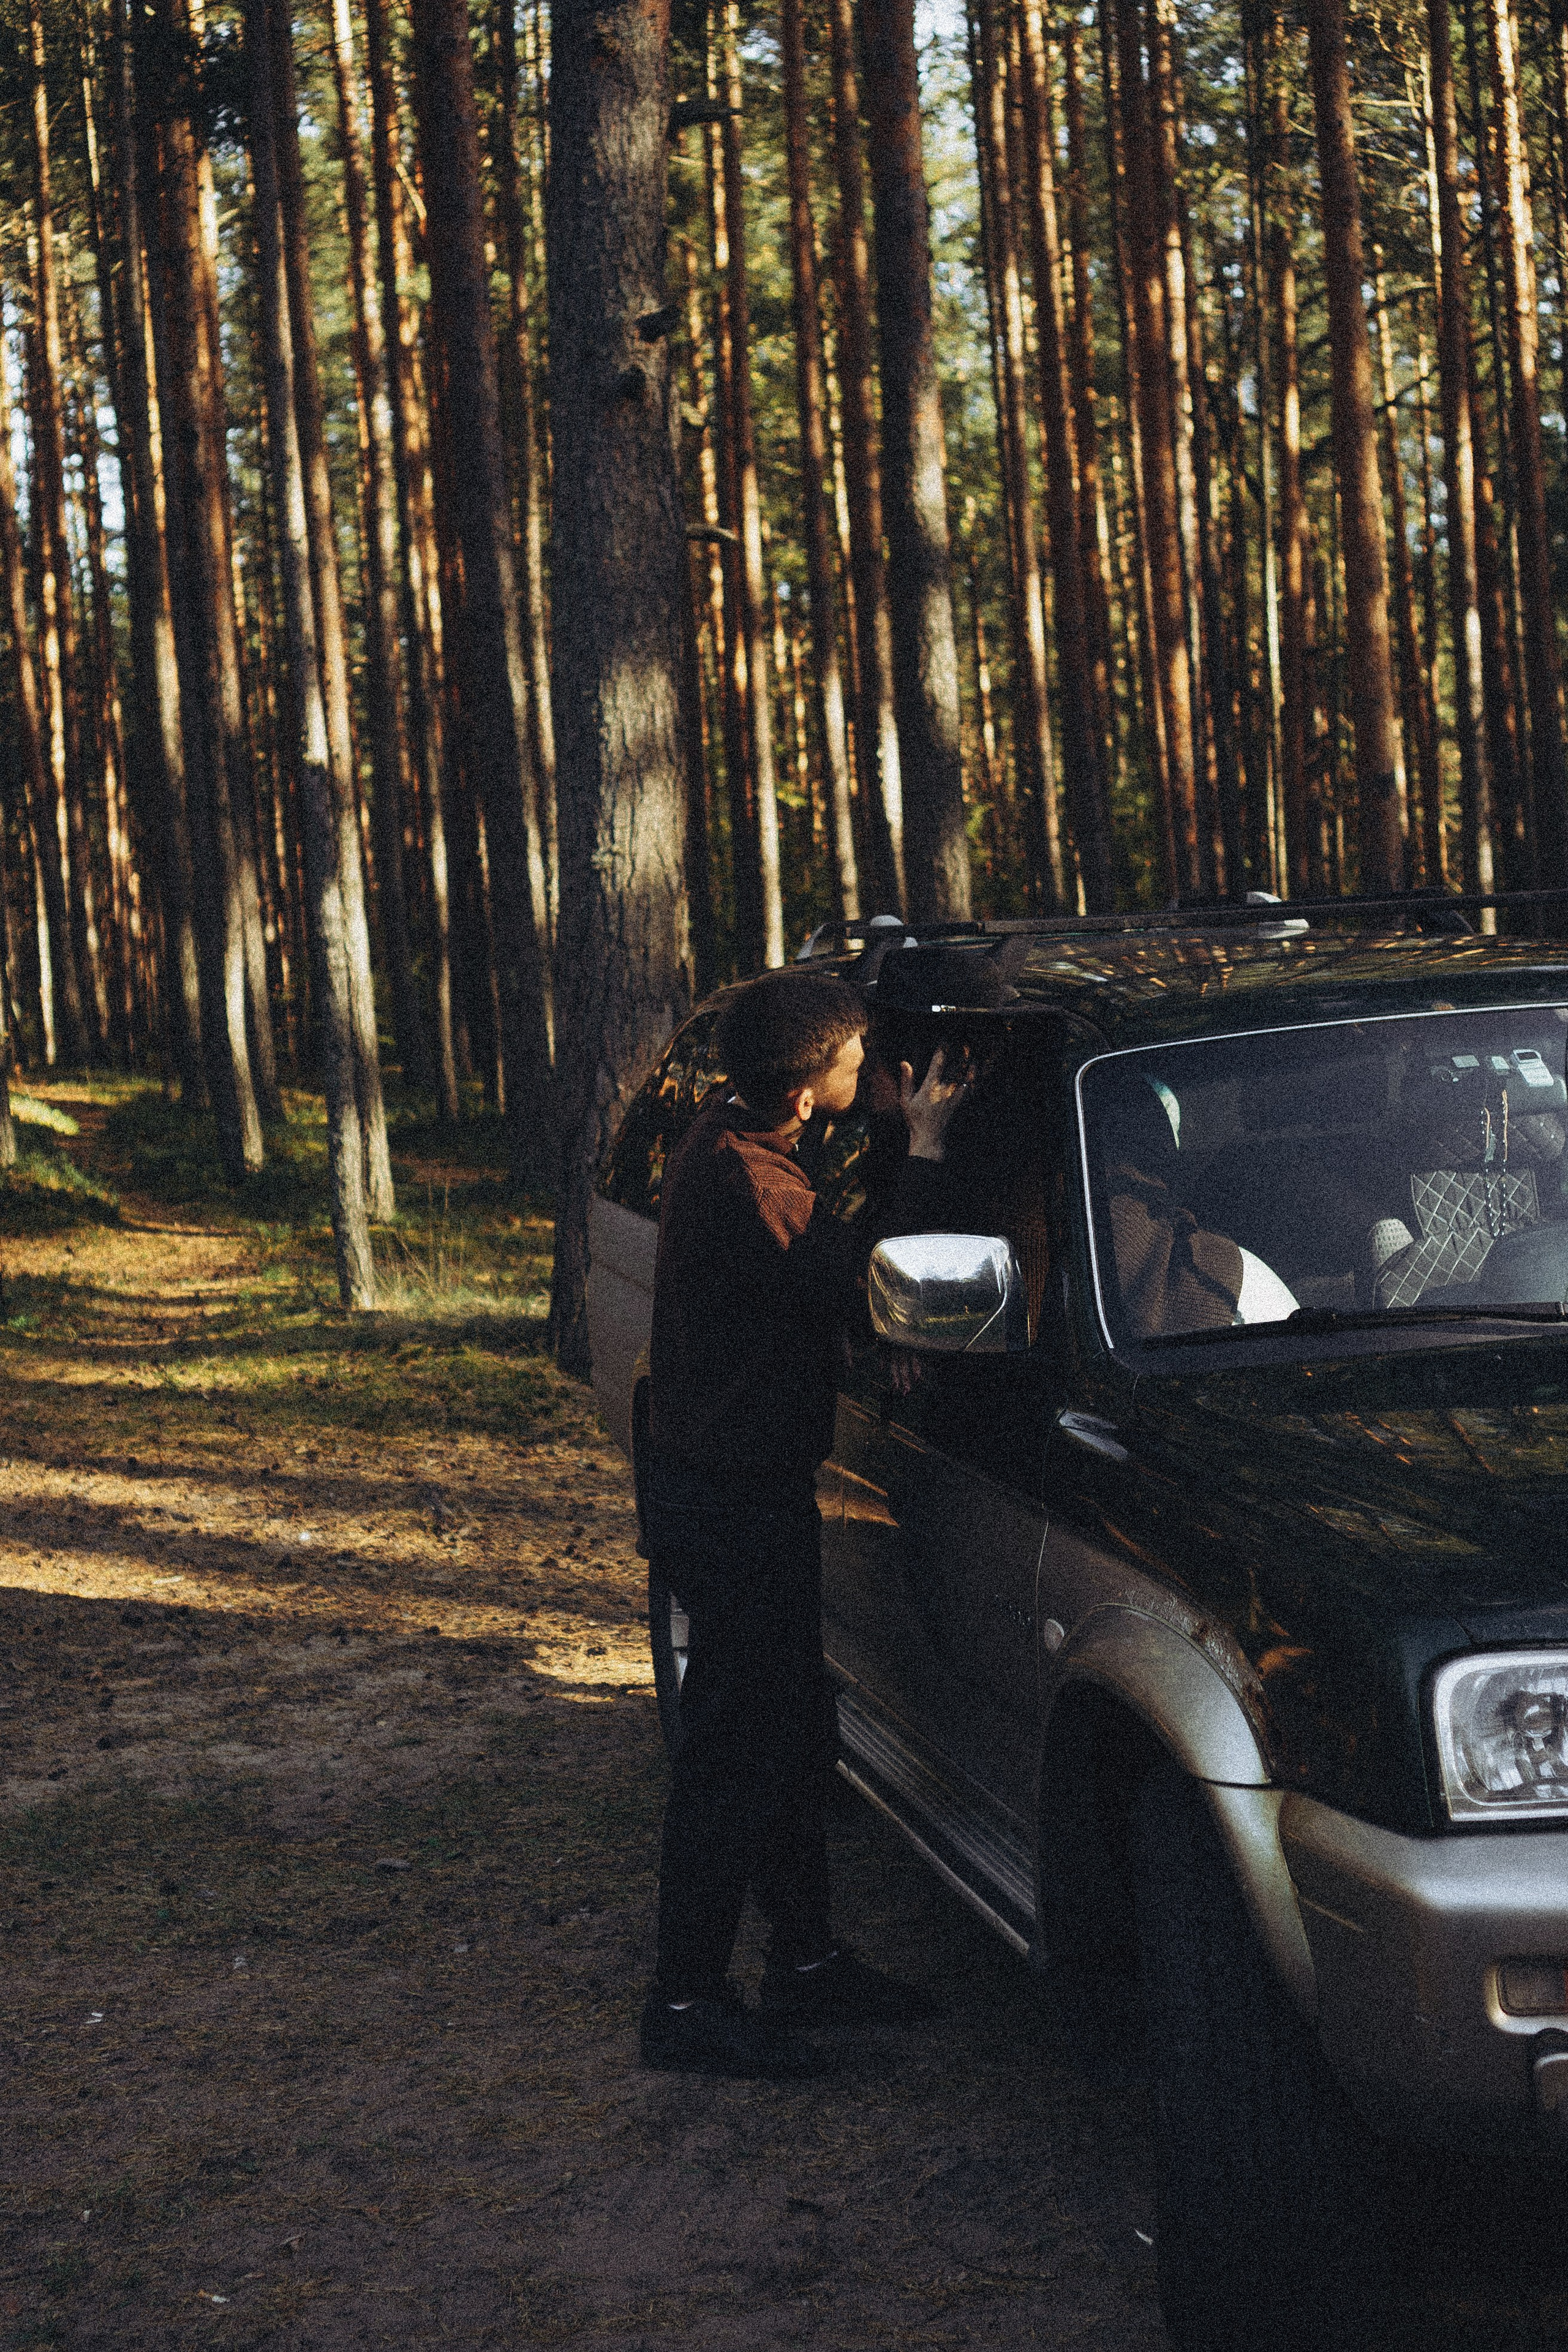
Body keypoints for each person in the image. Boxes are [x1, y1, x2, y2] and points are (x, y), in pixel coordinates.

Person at [639, 969, 968, 2078]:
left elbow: (805, 1272)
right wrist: (922, 1151)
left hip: (726, 1485)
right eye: (856, 1057)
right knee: (732, 1753)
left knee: (788, 1730)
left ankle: (807, 1963)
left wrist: (879, 1133)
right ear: (807, 1076)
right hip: (729, 1501)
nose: (868, 1069)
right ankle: (682, 2007)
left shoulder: (735, 1142)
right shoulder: (752, 1182)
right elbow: (877, 1284)